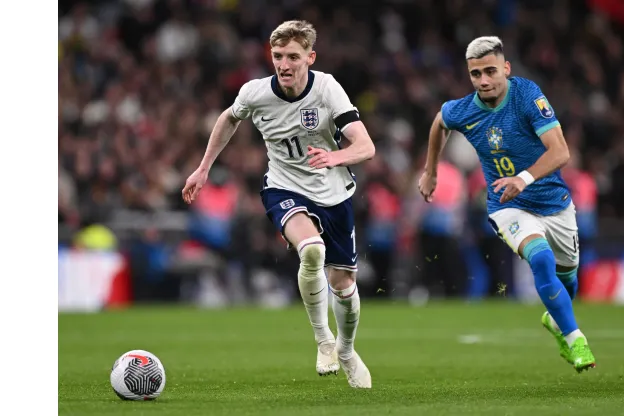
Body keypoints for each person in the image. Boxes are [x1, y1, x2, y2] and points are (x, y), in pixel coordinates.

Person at [182, 20, 375, 388]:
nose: (284, 65)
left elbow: (365, 146)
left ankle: (347, 350)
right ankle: (323, 340)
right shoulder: (256, 93)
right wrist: (203, 168)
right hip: (285, 187)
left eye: (292, 57)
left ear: (310, 58)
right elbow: (228, 118)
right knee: (312, 251)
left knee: (344, 285)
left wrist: (335, 158)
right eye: (277, 56)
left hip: (334, 192)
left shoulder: (327, 88)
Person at [418, 36, 596, 372]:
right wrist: (431, 172)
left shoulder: (527, 95)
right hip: (507, 206)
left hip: (554, 203)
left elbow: (560, 152)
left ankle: (557, 319)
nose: (483, 80)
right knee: (540, 259)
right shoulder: (464, 109)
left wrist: (523, 178)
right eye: (475, 74)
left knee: (568, 280)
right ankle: (576, 341)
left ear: (506, 69)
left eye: (490, 71)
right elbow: (440, 122)